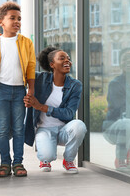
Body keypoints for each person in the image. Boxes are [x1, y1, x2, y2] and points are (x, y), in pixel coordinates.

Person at [0, 1, 36, 178]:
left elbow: (31, 67)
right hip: (1, 91)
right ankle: (4, 163)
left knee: (19, 129)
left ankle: (18, 162)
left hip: (20, 91)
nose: (17, 22)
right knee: (2, 129)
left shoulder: (26, 42)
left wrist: (31, 90)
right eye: (12, 18)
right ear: (1, 22)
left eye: (19, 19)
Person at [23, 46, 87, 174]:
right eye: (62, 58)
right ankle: (45, 158)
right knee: (47, 156)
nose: (67, 61)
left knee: (79, 125)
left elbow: (69, 114)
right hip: (44, 129)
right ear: (52, 64)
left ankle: (68, 160)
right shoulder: (39, 79)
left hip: (64, 129)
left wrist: (41, 107)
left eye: (68, 58)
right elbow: (20, 68)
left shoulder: (75, 85)